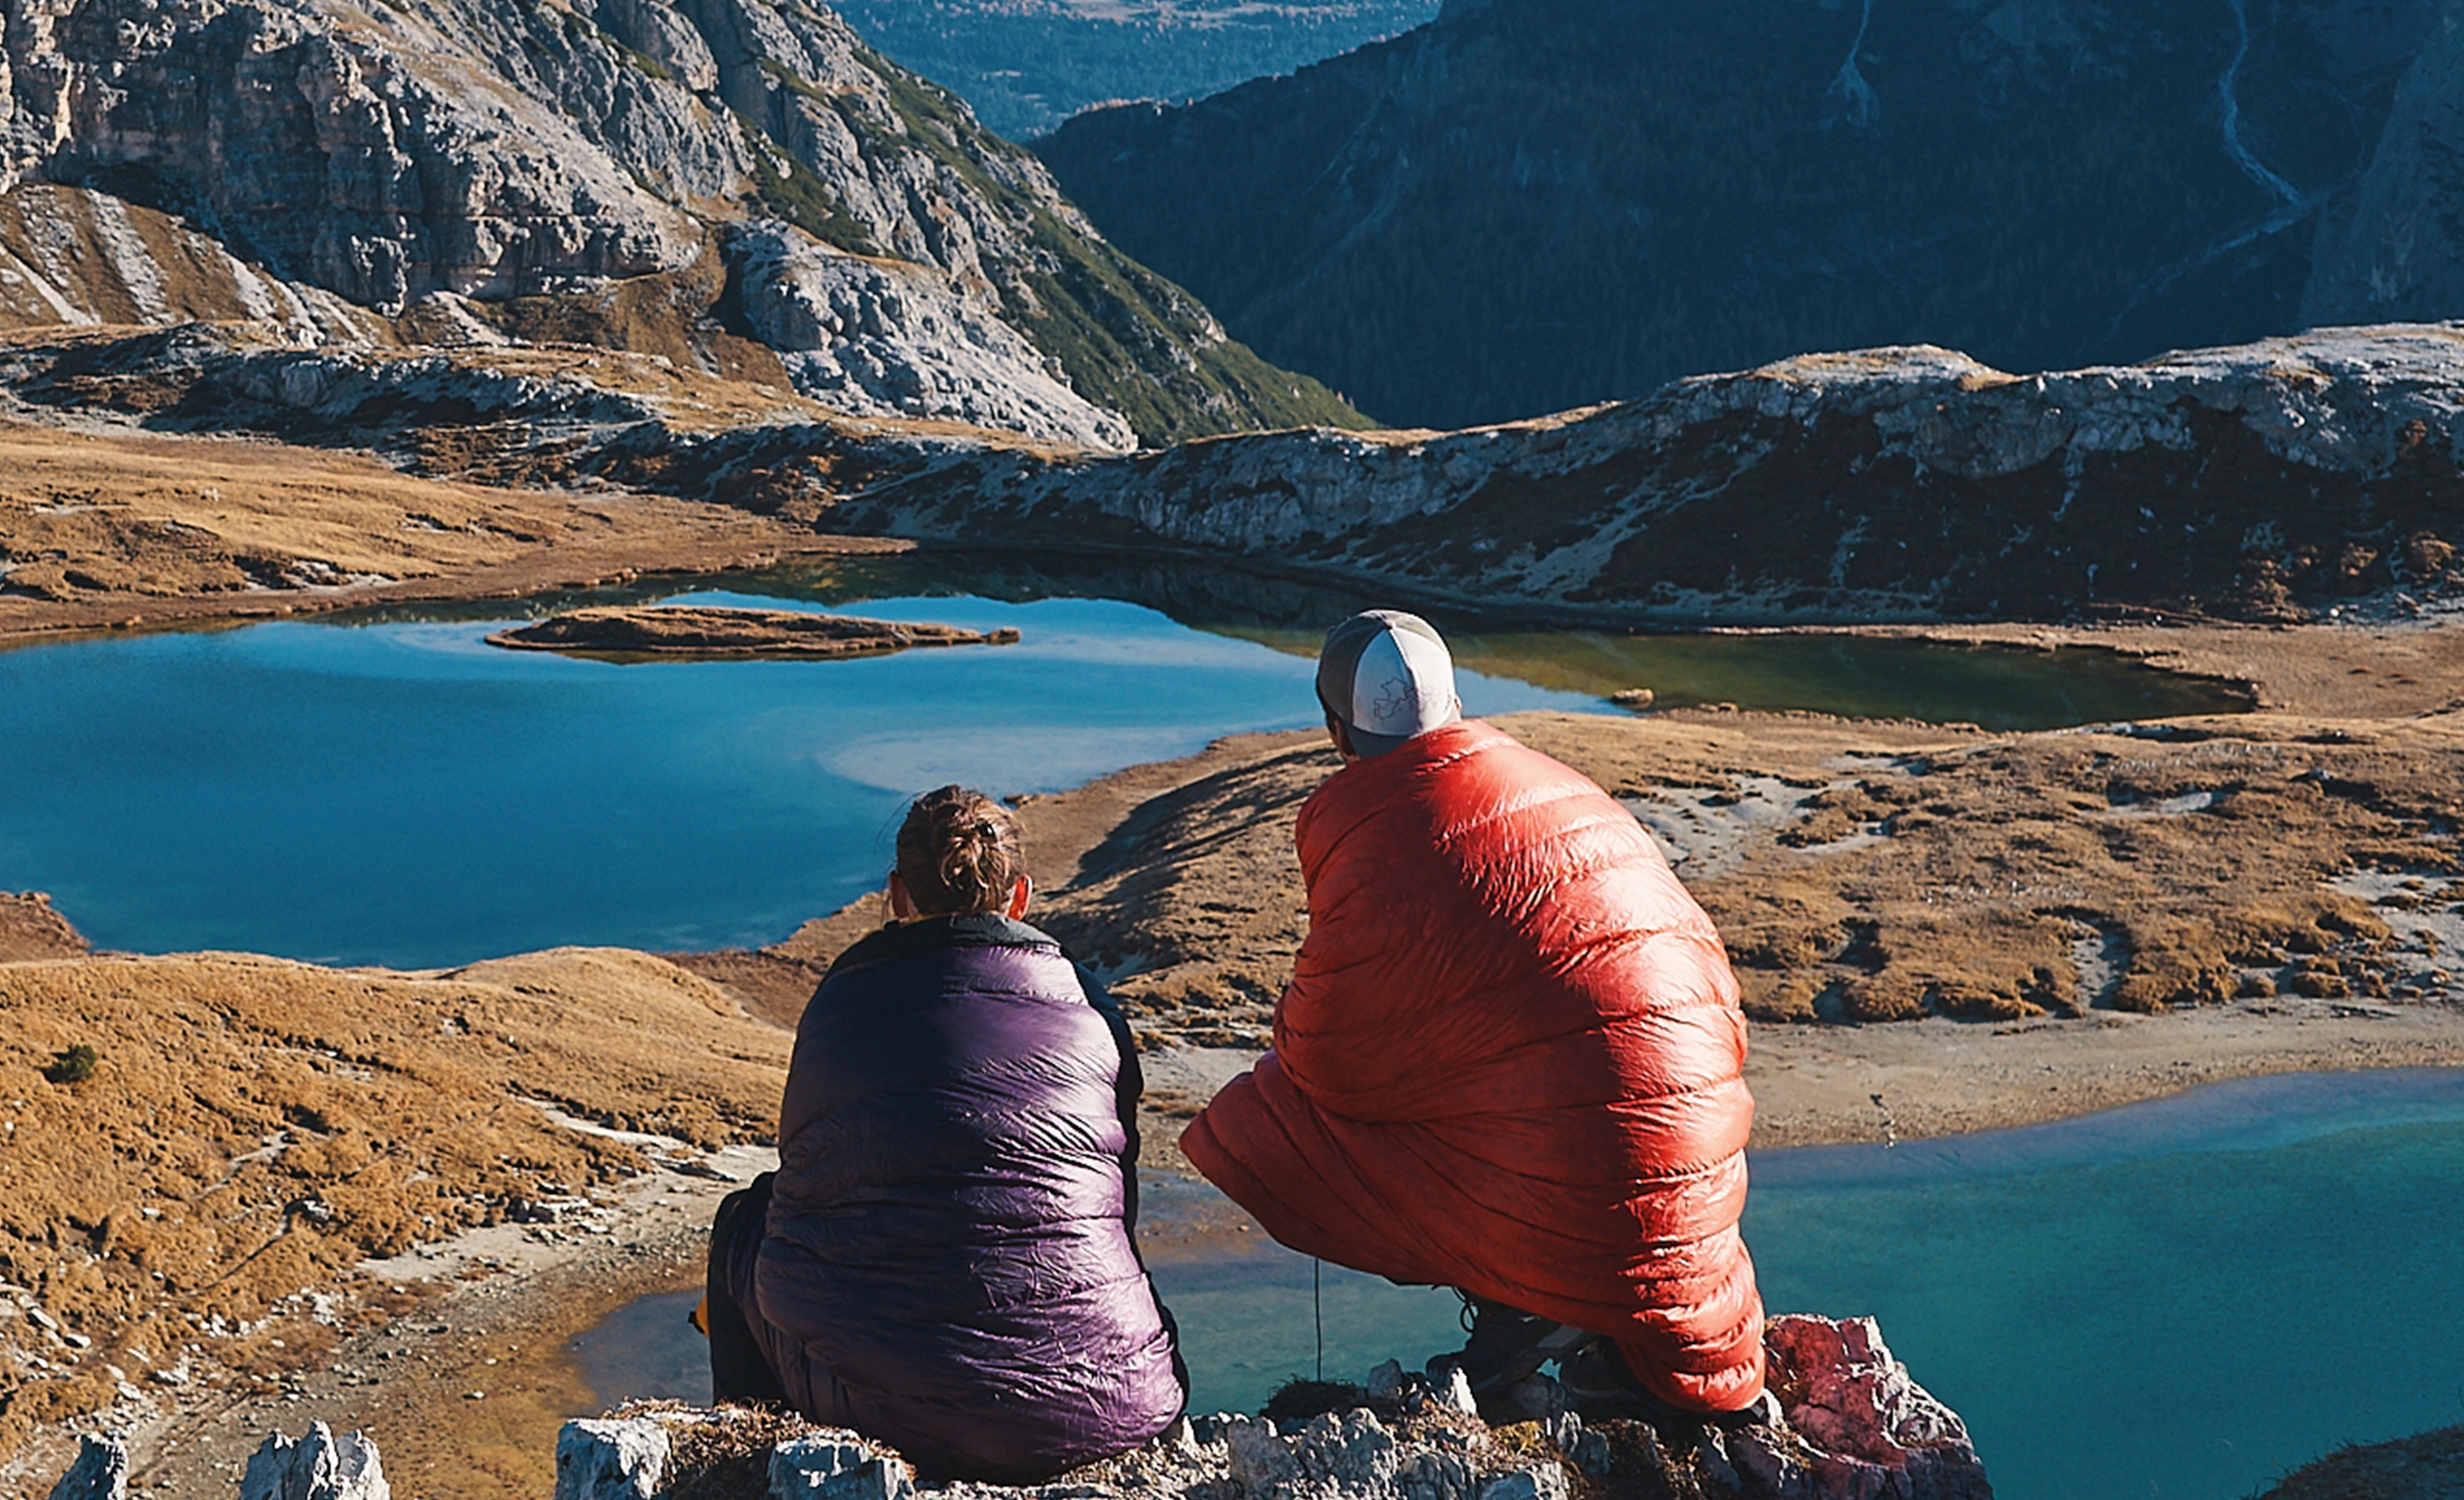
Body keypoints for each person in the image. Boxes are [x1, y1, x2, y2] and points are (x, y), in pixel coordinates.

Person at [1180, 610, 1769, 1422]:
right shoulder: (1555, 784)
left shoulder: (1384, 837)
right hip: (1696, 1161)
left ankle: (1528, 1306)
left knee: (1257, 1125)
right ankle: (1589, 1320)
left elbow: (1329, 1064)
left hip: (1595, 1170)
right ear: (1455, 704)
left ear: (1335, 730)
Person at [701, 785, 1187, 1484]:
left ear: (898, 894)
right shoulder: (1087, 1003)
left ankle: (747, 1465)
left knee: (742, 1222)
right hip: (1115, 1404)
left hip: (894, 1415)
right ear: (1019, 897)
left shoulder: (843, 998)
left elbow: (802, 1193)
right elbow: (1119, 1199)